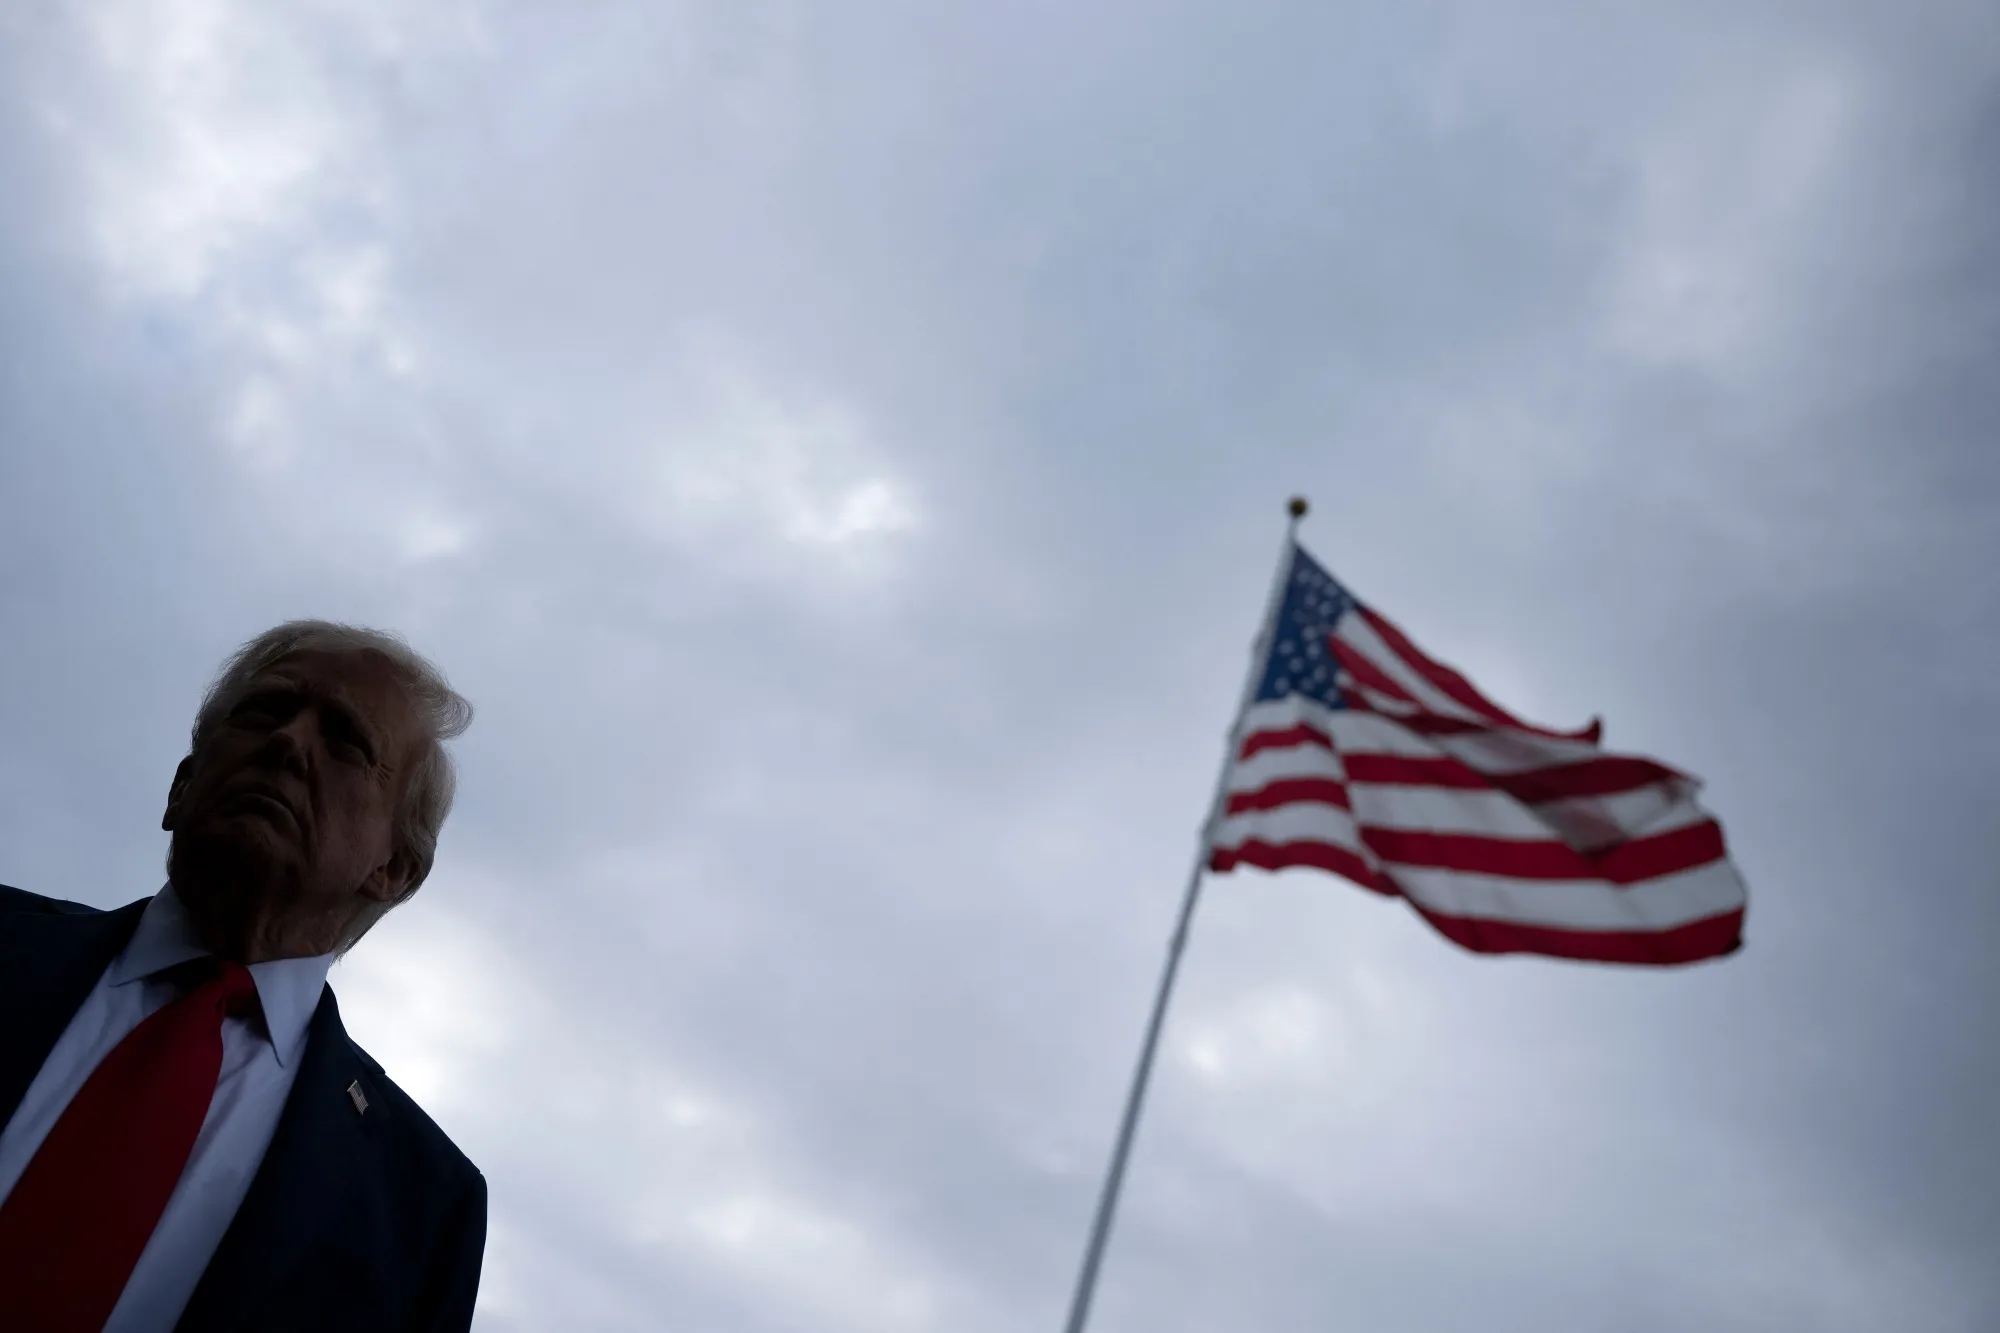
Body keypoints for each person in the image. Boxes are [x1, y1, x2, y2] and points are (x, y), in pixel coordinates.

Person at [0, 621, 486, 1332]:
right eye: (262, 711)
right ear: (182, 788)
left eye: (347, 740)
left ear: (393, 868)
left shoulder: (421, 1203)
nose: (289, 742)